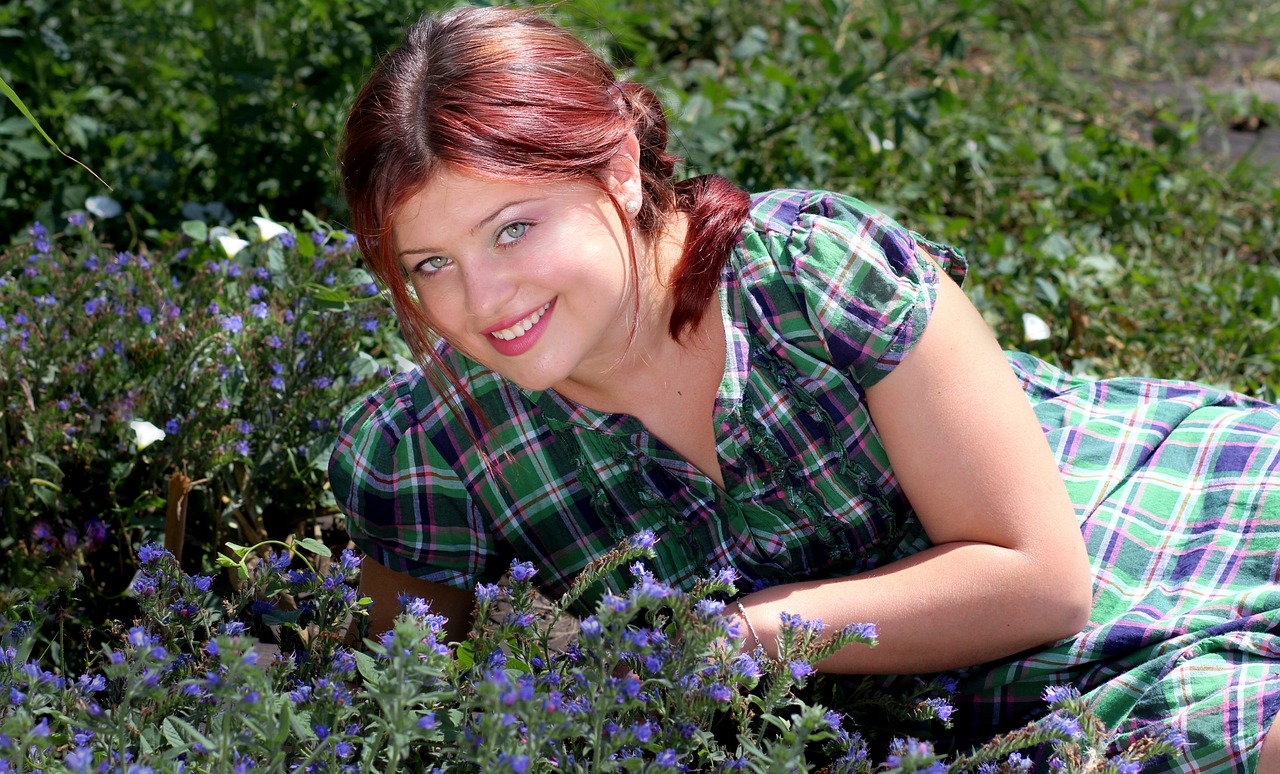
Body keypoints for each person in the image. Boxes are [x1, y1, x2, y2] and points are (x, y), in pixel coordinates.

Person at [328, 6, 1280, 771]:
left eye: (511, 228)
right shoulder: (431, 449)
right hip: (982, 701)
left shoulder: (813, 274)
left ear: (618, 167)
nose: (482, 300)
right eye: (429, 263)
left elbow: (1040, 579)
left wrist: (741, 638)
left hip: (1140, 516)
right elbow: (396, 698)